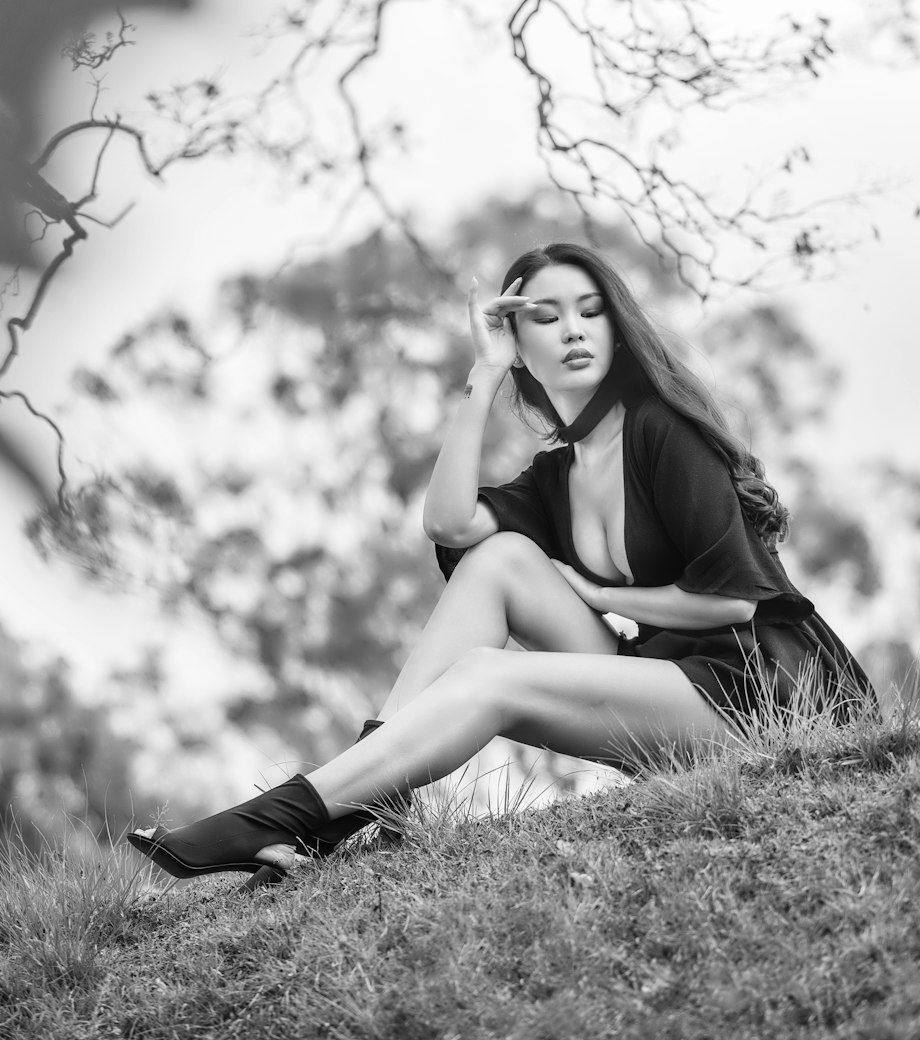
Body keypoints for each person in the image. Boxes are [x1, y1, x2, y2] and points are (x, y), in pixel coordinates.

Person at [128, 241, 875, 881]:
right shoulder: (559, 474)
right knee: (500, 558)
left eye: (591, 311)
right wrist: (483, 378)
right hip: (666, 682)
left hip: (761, 698)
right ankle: (373, 789)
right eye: (546, 319)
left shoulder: (662, 430)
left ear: (619, 327)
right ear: (522, 342)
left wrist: (588, 587)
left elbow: (732, 604)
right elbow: (448, 521)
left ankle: (277, 817)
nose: (574, 331)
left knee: (488, 675)